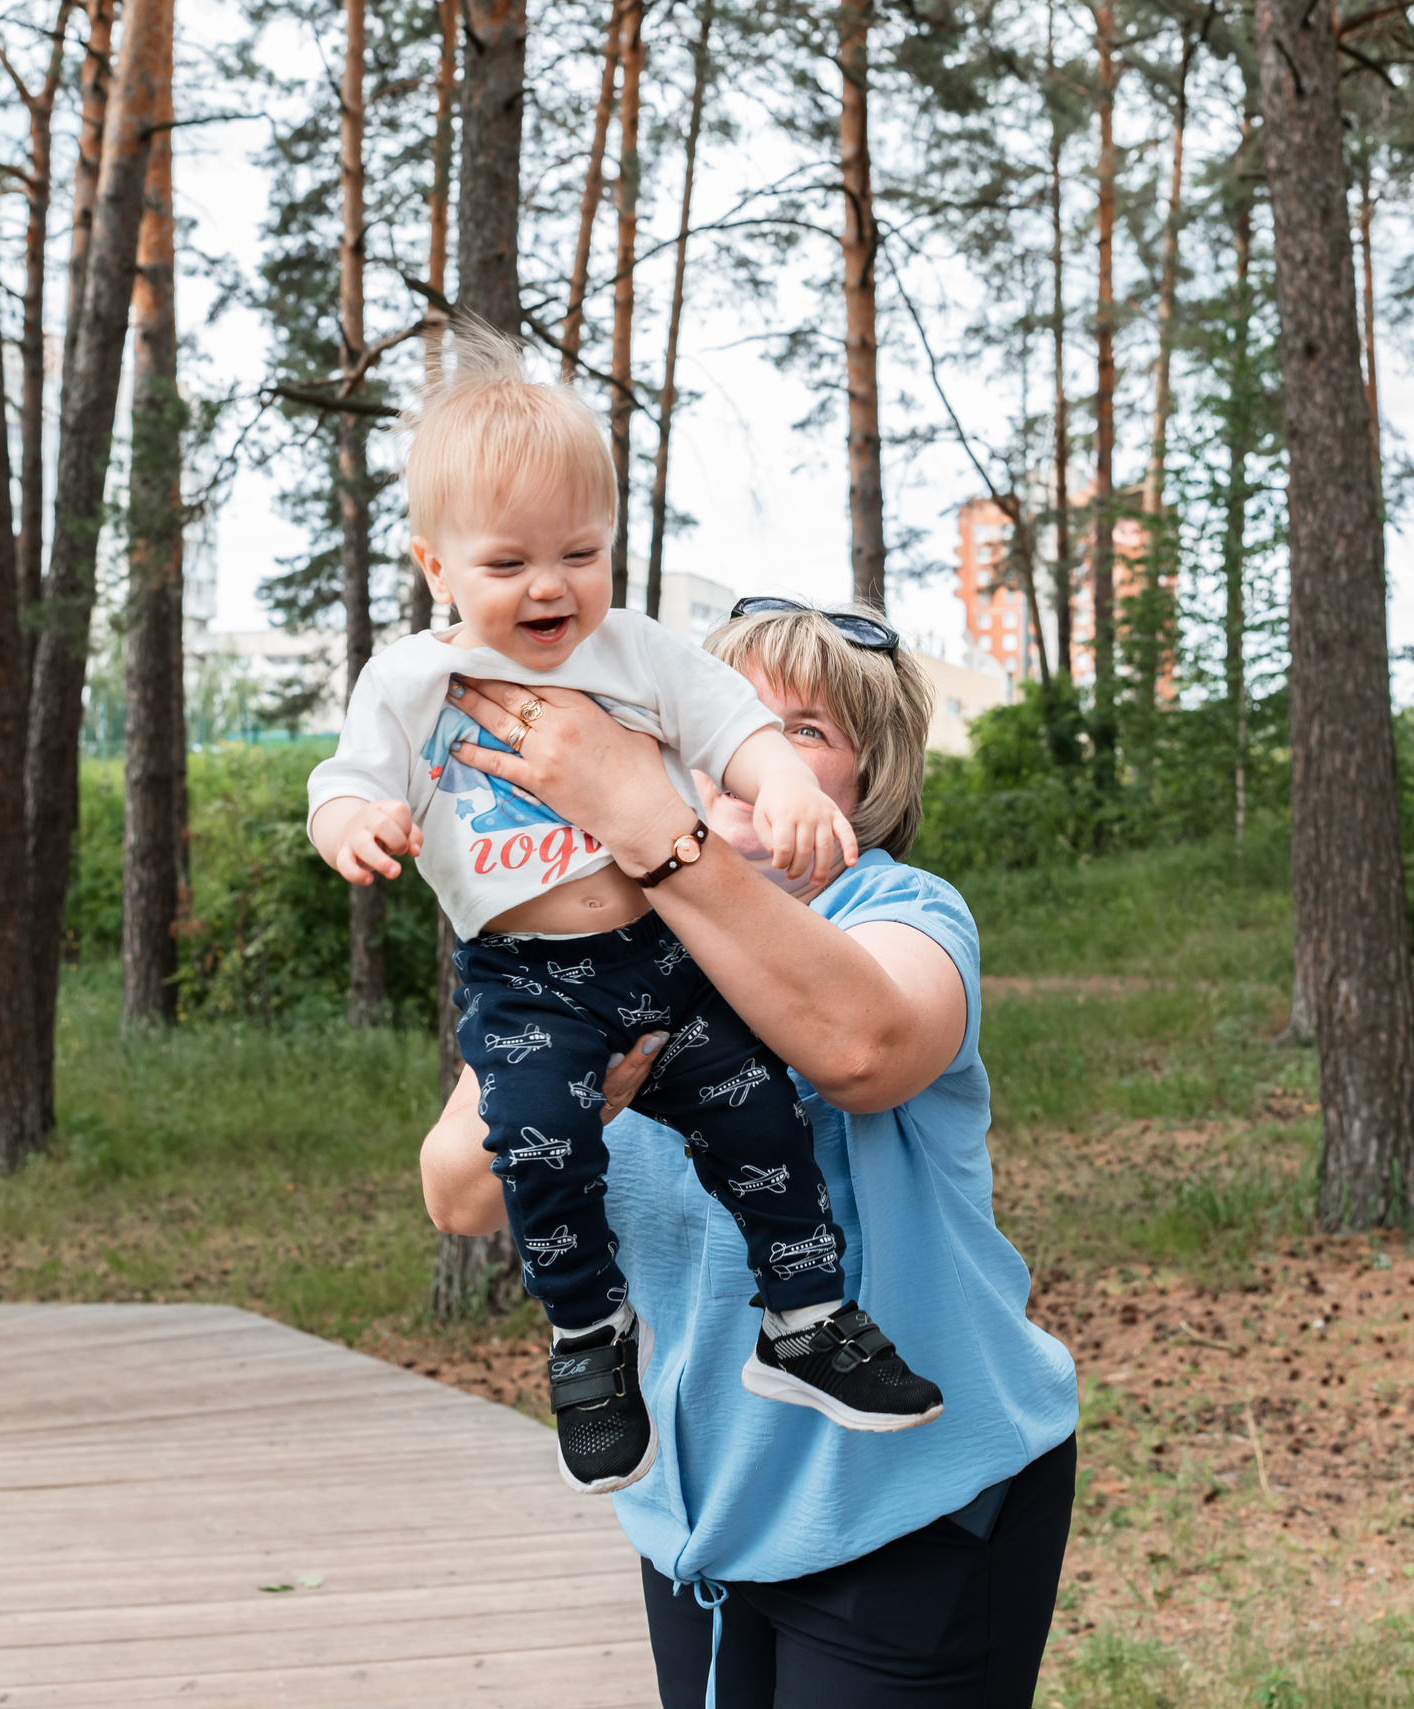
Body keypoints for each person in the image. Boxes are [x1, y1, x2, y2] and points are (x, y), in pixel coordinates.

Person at [309, 326, 943, 1497]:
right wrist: (351, 823)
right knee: (541, 1145)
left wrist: (781, 780)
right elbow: (348, 777)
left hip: (660, 953)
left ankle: (803, 1314)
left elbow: (727, 729)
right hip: (531, 980)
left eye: (580, 552)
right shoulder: (410, 681)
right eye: (508, 564)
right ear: (435, 566)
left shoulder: (640, 657)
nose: (549, 586)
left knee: (757, 1115)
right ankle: (589, 1339)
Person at [421, 603, 1080, 1708]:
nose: (748, 752)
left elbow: (862, 1046)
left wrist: (657, 836)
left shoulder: (902, 910)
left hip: (902, 1503)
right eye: (722, 718)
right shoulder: (583, 941)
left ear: (863, 782)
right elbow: (458, 1193)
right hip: (702, 1511)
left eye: (803, 729)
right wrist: (575, 1093)